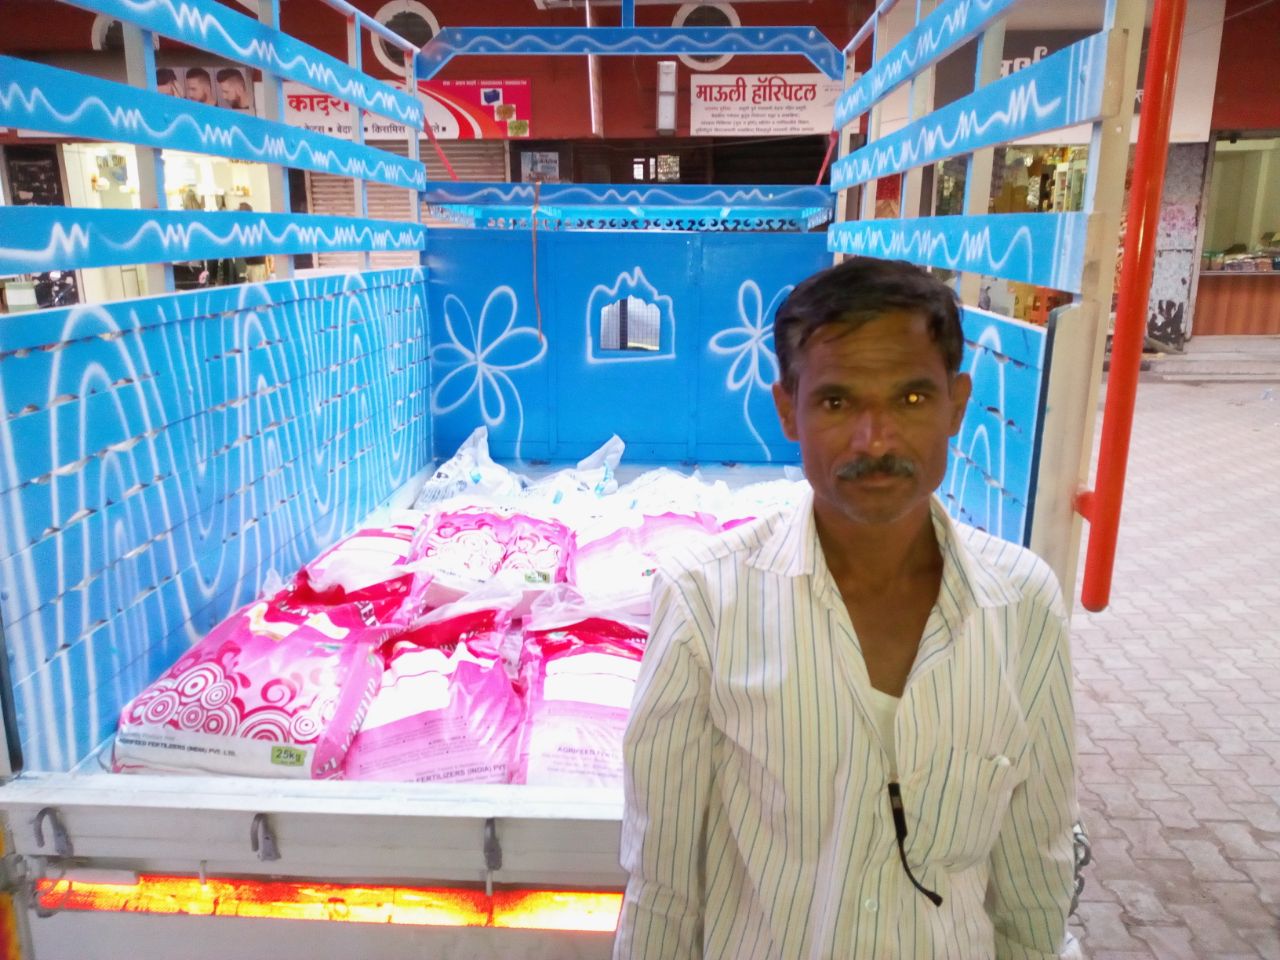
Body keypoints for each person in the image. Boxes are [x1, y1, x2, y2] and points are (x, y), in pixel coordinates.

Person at [614, 256, 1078, 960]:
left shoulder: (1024, 606)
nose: (875, 439)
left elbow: (1034, 881)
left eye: (911, 399)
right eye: (836, 403)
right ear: (787, 411)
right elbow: (664, 890)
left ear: (957, 404)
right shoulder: (705, 601)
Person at [238, 202, 270, 282]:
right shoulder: (250, 225)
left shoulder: (253, 226)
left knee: (257, 287)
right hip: (252, 264)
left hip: (256, 265)